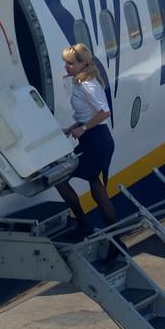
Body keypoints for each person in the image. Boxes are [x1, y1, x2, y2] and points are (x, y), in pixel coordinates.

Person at [55, 43, 118, 238]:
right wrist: (72, 128)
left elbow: (104, 112)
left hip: (97, 140)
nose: (66, 67)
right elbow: (86, 114)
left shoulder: (88, 85)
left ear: (83, 64)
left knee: (61, 179)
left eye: (71, 64)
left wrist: (83, 129)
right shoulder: (80, 82)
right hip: (94, 140)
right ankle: (114, 234)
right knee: (97, 188)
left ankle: (84, 223)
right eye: (65, 63)